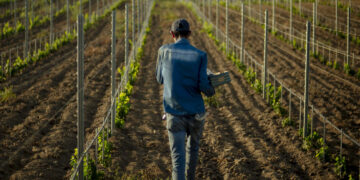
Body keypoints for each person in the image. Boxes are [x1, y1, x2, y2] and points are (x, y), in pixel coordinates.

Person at [155, 18, 215, 180]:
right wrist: (212, 86)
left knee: (178, 159)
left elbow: (160, 79)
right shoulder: (200, 55)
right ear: (189, 34)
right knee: (193, 151)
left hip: (174, 114)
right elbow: (205, 87)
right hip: (196, 113)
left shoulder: (163, 51)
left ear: (172, 34)